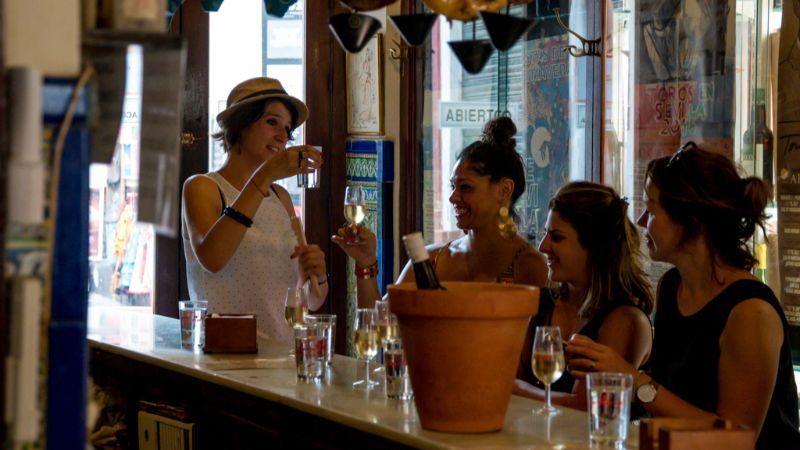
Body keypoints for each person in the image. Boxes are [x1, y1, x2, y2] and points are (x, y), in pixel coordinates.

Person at [566, 142, 800, 449]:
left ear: (692, 221)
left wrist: (631, 379)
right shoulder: (671, 286)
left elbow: (736, 438)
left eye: (651, 210)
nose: (640, 222)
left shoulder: (750, 311)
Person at [332, 117, 548, 306]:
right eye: (453, 187)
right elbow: (378, 327)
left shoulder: (527, 264)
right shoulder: (434, 259)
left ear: (504, 190)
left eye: (466, 187)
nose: (453, 197)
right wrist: (366, 262)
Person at [182, 77, 327, 345]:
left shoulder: (281, 197)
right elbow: (212, 258)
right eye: (272, 122)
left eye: (287, 128)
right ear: (240, 124)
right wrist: (266, 175)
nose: (283, 136)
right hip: (224, 360)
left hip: (283, 361)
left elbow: (310, 300)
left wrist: (318, 274)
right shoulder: (203, 187)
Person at [513, 182, 654, 410]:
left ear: (596, 246)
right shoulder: (543, 303)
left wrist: (515, 389)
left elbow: (585, 406)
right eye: (545, 234)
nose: (542, 247)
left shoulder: (625, 319)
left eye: (556, 238)